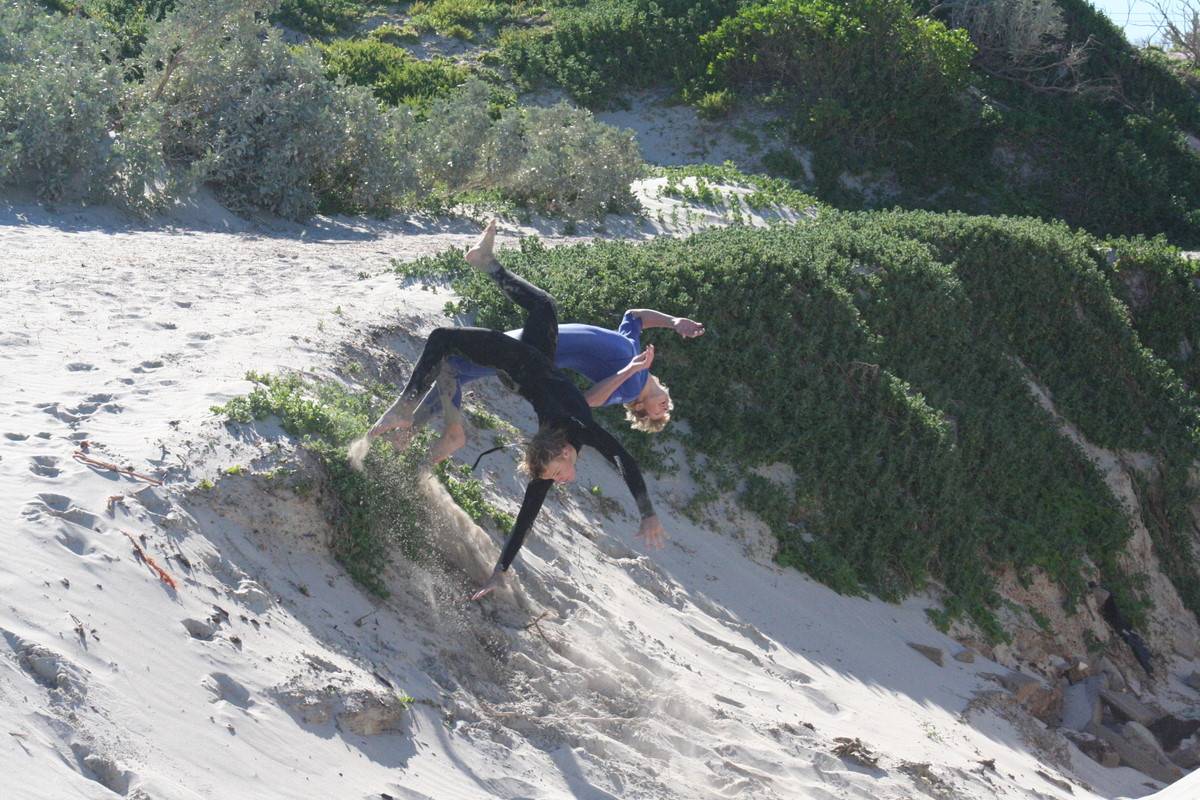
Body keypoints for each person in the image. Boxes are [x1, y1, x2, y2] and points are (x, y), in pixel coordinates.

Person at [365, 220, 667, 600]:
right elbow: (619, 465)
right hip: (538, 362)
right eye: (557, 476)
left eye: (555, 474)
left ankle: (407, 410)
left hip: (521, 366)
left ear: (560, 452)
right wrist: (646, 511)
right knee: (542, 306)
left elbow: (615, 467)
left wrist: (648, 513)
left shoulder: (576, 429)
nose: (559, 480)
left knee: (443, 340)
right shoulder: (578, 432)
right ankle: (483, 261)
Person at [412, 307, 704, 464]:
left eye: (657, 415)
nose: (665, 409)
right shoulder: (636, 352)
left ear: (639, 407)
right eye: (666, 409)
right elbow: (634, 316)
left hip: (535, 352)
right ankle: (414, 432)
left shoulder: (629, 387)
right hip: (540, 340)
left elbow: (586, 400)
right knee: (458, 370)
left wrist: (628, 371)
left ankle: (430, 433)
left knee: (455, 364)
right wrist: (674, 321)